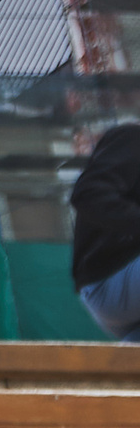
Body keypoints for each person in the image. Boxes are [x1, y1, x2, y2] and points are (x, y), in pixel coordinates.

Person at [74, 122, 140, 341]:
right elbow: (87, 193)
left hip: (125, 301)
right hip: (111, 280)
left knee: (129, 370)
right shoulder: (133, 138)